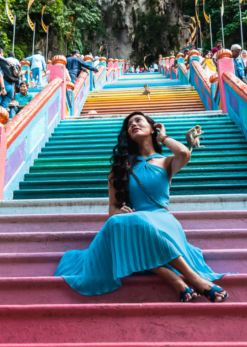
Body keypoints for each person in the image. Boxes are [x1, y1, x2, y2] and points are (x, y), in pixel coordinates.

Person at [54, 112, 228, 302]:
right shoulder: (119, 168)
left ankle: (192, 277)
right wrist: (119, 211)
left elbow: (184, 153)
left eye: (138, 120)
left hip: (162, 222)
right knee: (118, 222)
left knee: (132, 225)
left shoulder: (166, 161)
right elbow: (112, 209)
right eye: (129, 124)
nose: (133, 125)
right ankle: (173, 276)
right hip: (133, 223)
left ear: (152, 127)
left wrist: (163, 137)